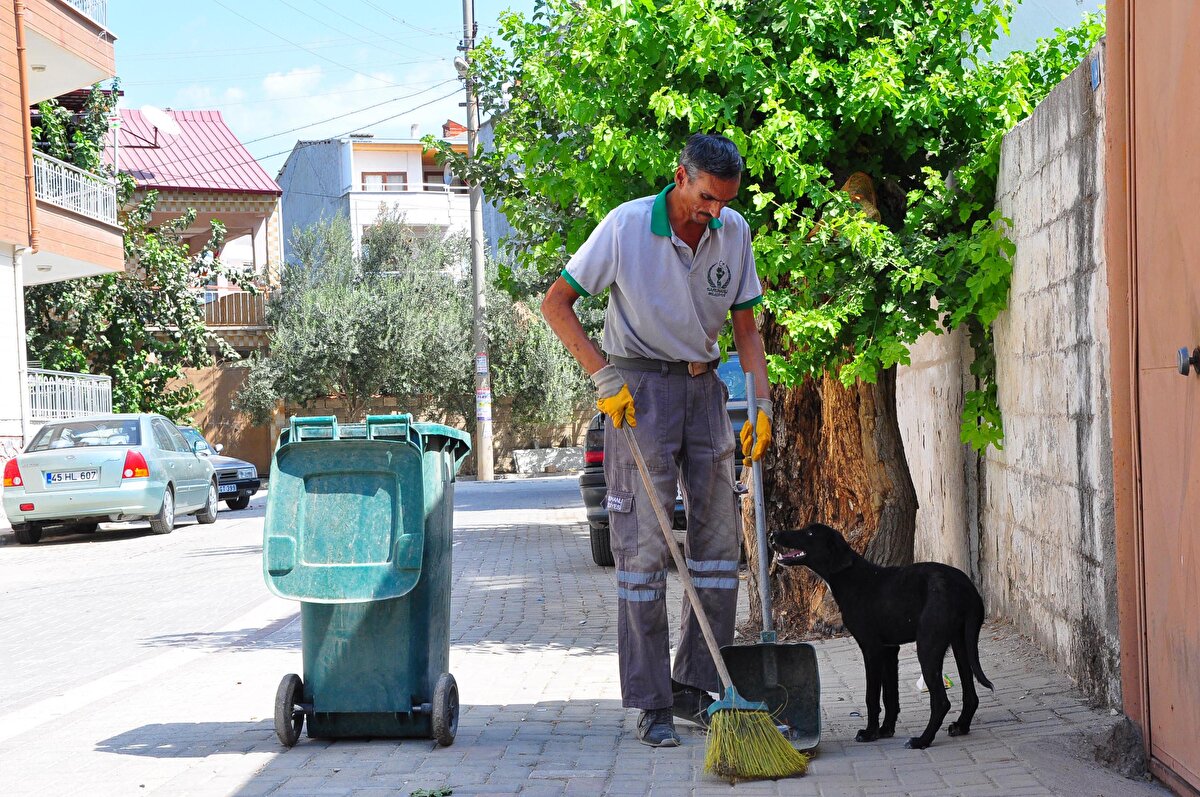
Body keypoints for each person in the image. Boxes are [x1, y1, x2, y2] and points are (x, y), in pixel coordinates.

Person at [541, 133, 772, 747]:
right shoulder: (623, 227)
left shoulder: (735, 232)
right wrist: (604, 376)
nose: (713, 212)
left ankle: (699, 687)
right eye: (705, 198)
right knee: (643, 555)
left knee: (719, 549)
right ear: (680, 177)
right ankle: (653, 703)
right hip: (638, 392)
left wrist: (762, 403)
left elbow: (747, 329)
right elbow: (557, 303)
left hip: (706, 393)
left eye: (724, 201)